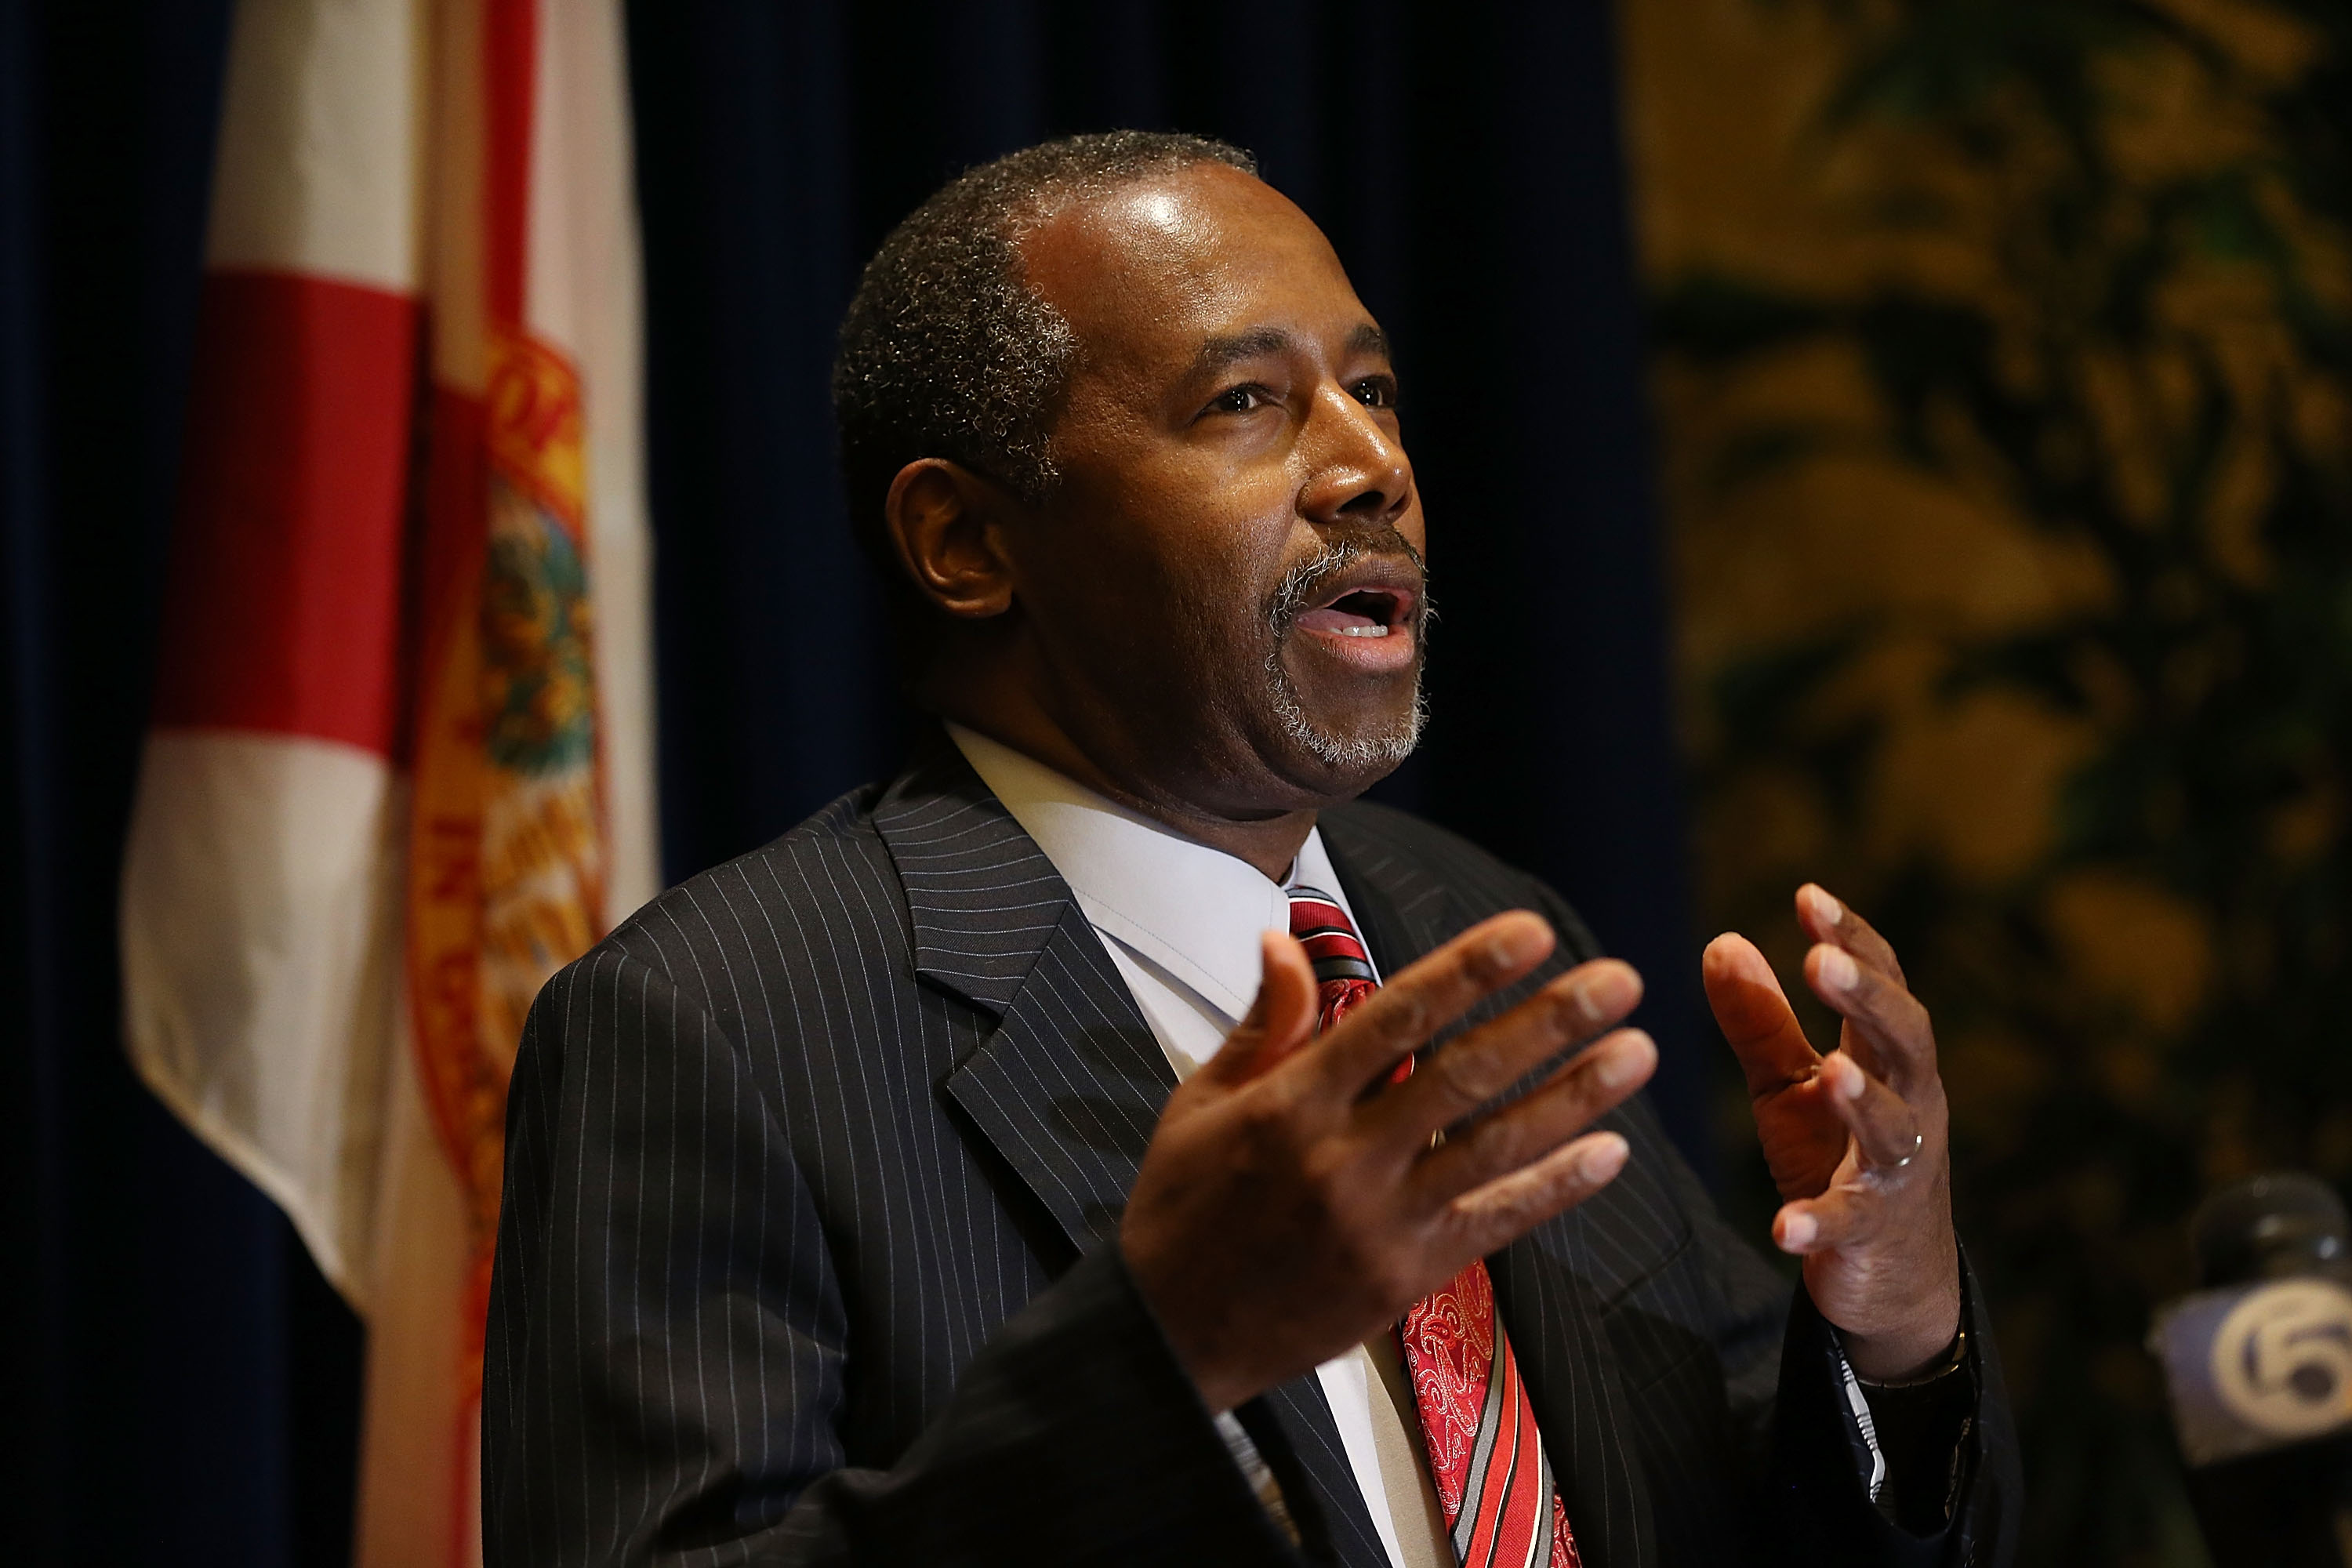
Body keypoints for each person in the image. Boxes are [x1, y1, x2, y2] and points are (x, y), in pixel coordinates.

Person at [483, 131, 2020, 1567]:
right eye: (1246, 403)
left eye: (1374, 389)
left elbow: (1724, 1504)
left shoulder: (1480, 938)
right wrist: (1164, 1359)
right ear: (966, 542)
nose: (1370, 467)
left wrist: (1894, 1323)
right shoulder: (718, 1025)